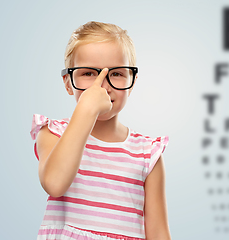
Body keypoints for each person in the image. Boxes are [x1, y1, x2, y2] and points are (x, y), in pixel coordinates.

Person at [30, 21, 171, 240]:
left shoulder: (148, 154)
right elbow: (54, 184)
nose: (103, 85)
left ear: (132, 82)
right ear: (68, 83)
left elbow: (159, 233)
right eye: (88, 73)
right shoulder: (53, 133)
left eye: (116, 74)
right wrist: (86, 109)